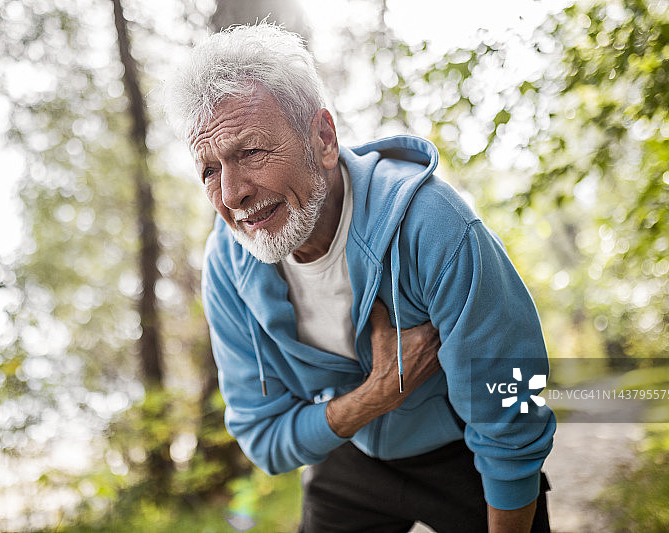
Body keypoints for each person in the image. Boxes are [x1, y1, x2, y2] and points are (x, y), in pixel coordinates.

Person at [165, 23, 555, 533]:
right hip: (349, 451)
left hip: (465, 452)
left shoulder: (431, 223)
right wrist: (376, 395)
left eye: (251, 152)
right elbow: (263, 439)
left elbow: (510, 407)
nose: (232, 193)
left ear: (322, 138)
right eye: (210, 169)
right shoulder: (226, 262)